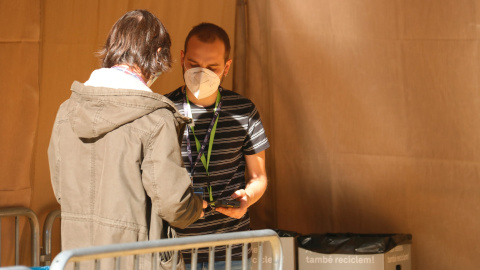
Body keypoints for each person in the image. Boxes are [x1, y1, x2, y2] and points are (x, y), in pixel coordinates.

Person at [48, 10, 205, 269]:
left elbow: (61, 190)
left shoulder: (67, 111)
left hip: (78, 257)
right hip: (138, 260)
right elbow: (173, 204)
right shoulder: (156, 118)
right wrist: (196, 206)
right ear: (157, 55)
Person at [165, 23, 270, 269]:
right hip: (174, 250)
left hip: (230, 250)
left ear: (227, 67)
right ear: (181, 59)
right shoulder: (163, 110)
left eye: (212, 67)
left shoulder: (244, 111)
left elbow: (259, 176)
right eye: (193, 64)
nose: (202, 73)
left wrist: (248, 197)